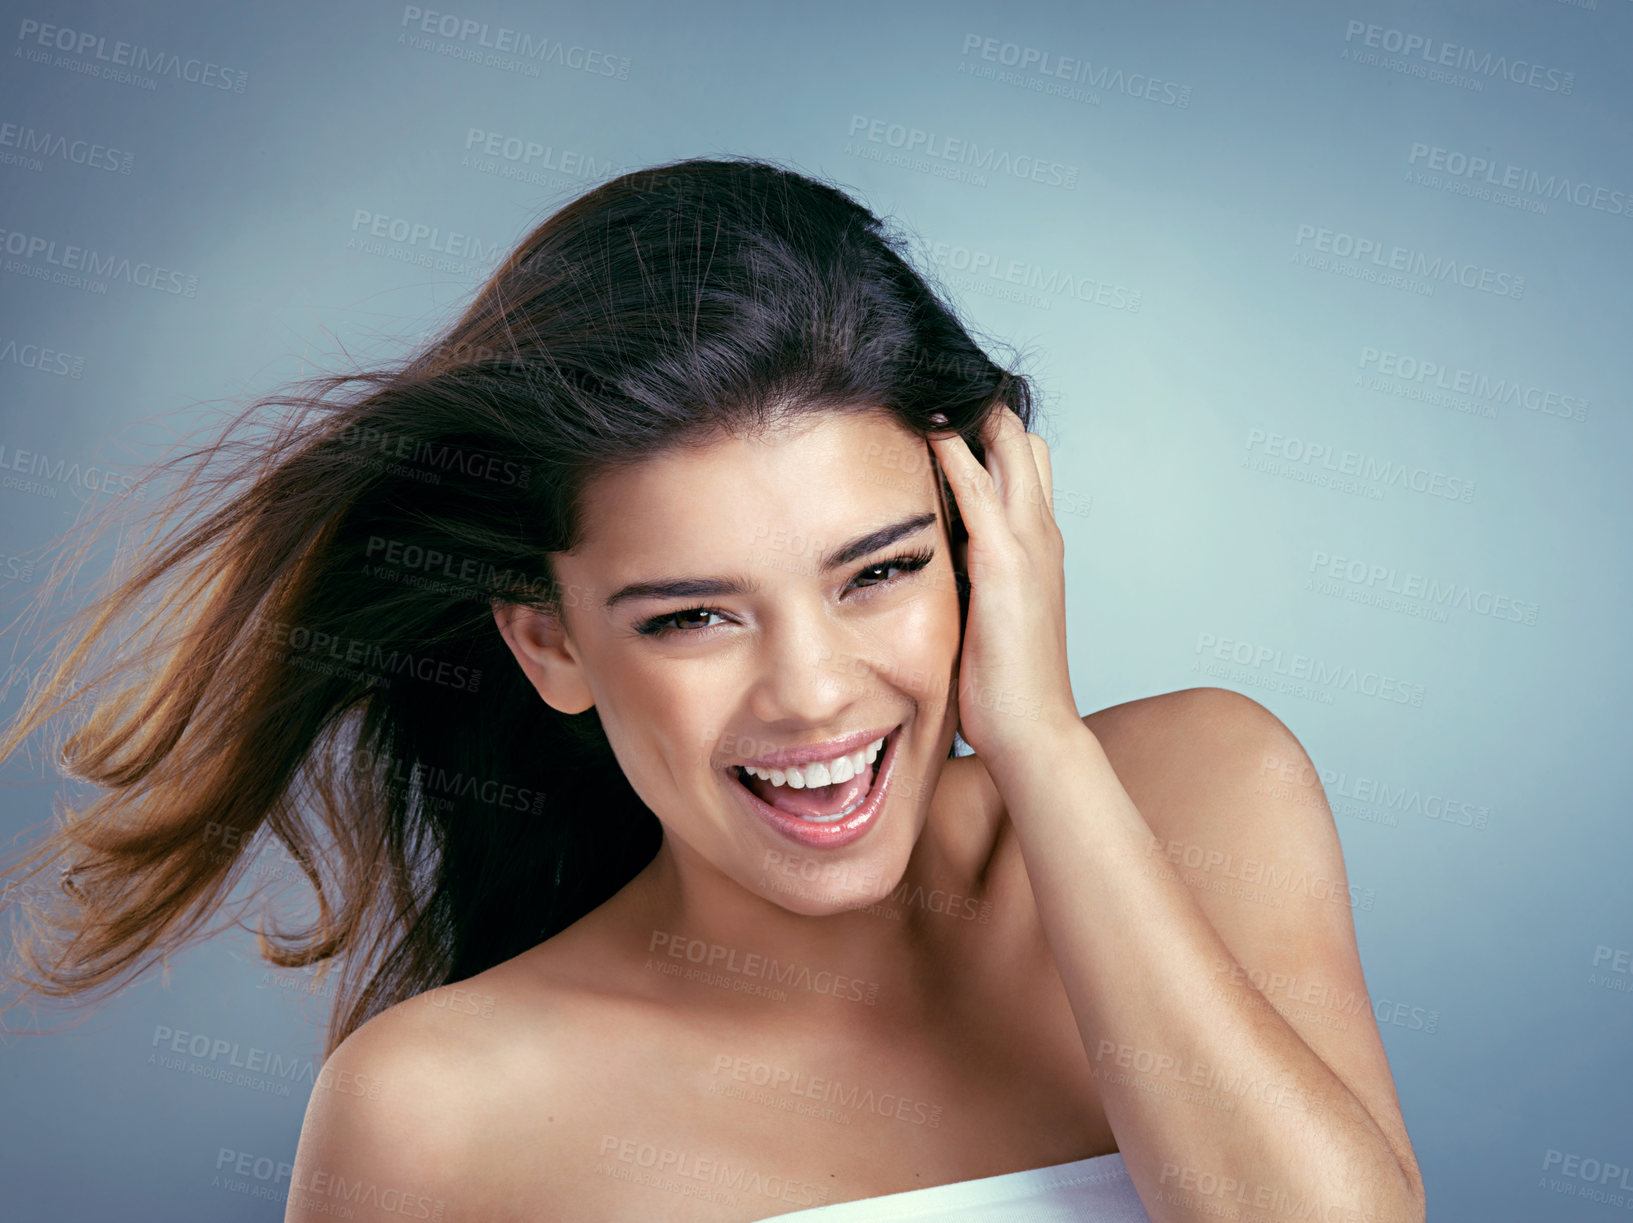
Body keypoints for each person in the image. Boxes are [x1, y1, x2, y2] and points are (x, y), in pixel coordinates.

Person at [0, 156, 1424, 1222]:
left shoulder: (1205, 792)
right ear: (549, 645)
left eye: (877, 573)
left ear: (991, 545)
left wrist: (1040, 742)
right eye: (691, 615)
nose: (810, 691)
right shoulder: (435, 1111)